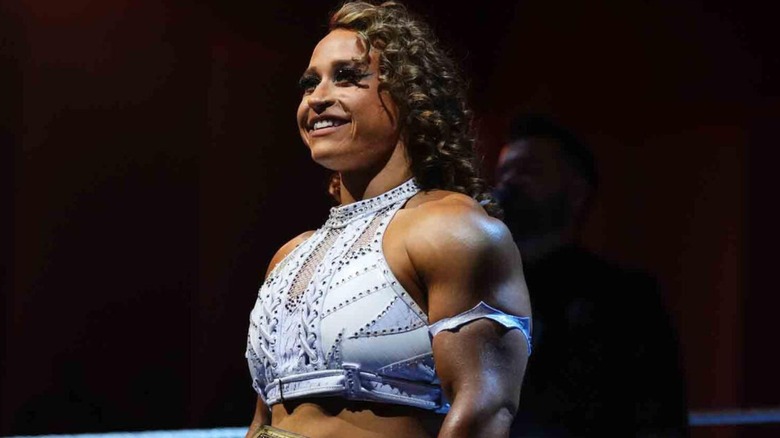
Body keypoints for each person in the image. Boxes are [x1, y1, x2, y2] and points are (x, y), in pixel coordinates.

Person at [244, 2, 532, 437]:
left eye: (347, 76)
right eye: (309, 83)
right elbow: (264, 421)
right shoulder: (289, 255)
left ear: (409, 94)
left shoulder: (453, 230)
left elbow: (484, 411)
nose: (317, 98)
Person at [495, 114, 689, 437]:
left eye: (529, 170)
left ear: (576, 191)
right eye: (504, 172)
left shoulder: (626, 299)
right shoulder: (476, 291)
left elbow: (659, 417)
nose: (509, 183)